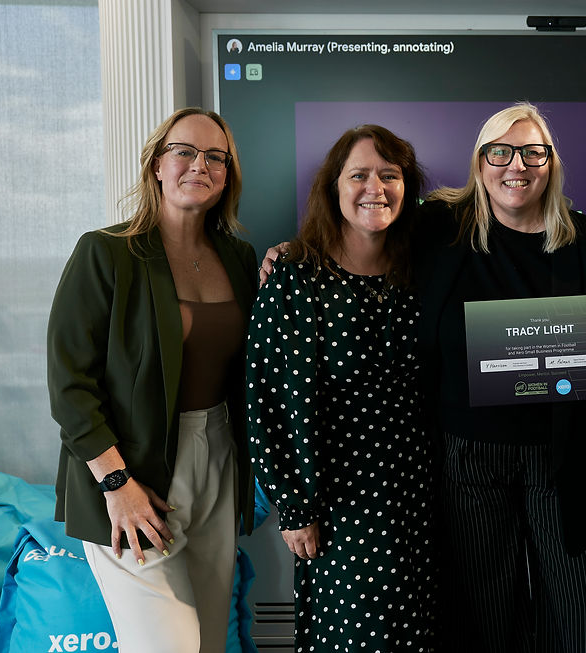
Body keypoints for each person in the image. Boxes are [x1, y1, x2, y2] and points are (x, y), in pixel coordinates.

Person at [417, 102, 586, 652]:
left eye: (532, 152)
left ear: (551, 164)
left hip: (565, 457)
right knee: (481, 618)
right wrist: (292, 251)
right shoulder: (437, 230)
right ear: (479, 163)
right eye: (500, 152)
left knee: (580, 615)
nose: (515, 165)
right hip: (467, 456)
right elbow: (360, 227)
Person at [48, 107, 258, 652]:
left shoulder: (239, 257)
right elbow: (69, 385)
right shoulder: (106, 252)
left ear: (229, 174)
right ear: (157, 165)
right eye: (184, 151)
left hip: (216, 459)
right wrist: (116, 486)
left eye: (216, 156)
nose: (199, 164)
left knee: (209, 643)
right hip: (128, 474)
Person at [247, 125, 435, 652]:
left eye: (389, 175)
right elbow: (266, 405)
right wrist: (294, 507)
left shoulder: (425, 274)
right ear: (334, 188)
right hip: (337, 509)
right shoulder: (294, 277)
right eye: (359, 175)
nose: (375, 187)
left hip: (423, 502)